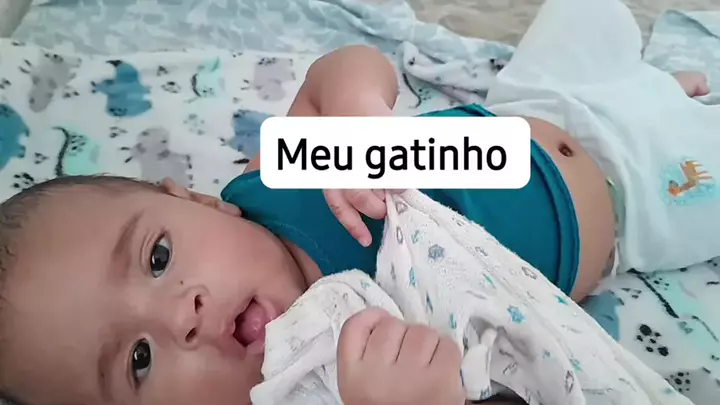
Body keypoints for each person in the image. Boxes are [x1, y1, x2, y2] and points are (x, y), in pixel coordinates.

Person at [0, 0, 714, 402]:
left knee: (585, 14)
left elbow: (340, 70)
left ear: (200, 203)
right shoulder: (332, 383)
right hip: (633, 202)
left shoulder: (269, 182)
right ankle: (658, 112)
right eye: (138, 361)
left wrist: (354, 110)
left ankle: (643, 92)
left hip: (527, 111)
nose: (178, 315)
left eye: (158, 257)